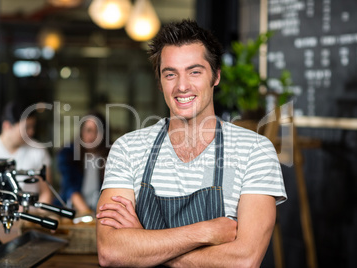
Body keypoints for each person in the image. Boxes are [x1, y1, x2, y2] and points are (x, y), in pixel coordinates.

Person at [96, 19, 287, 267]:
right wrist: (205, 232)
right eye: (170, 74)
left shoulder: (255, 151)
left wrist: (143, 244)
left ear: (216, 76)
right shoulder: (128, 149)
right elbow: (111, 251)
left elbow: (244, 260)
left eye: (194, 72)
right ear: (160, 81)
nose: (182, 86)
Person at [0, 101, 53, 204]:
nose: (31, 132)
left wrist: (34, 214)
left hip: (31, 215)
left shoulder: (38, 151)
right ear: (7, 126)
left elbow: (46, 193)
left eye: (33, 127)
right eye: (27, 127)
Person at [57, 112, 109, 214]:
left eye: (97, 131)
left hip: (100, 213)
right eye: (88, 130)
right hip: (72, 211)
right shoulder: (69, 153)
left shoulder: (111, 156)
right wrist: (89, 215)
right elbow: (70, 188)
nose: (92, 136)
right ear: (81, 131)